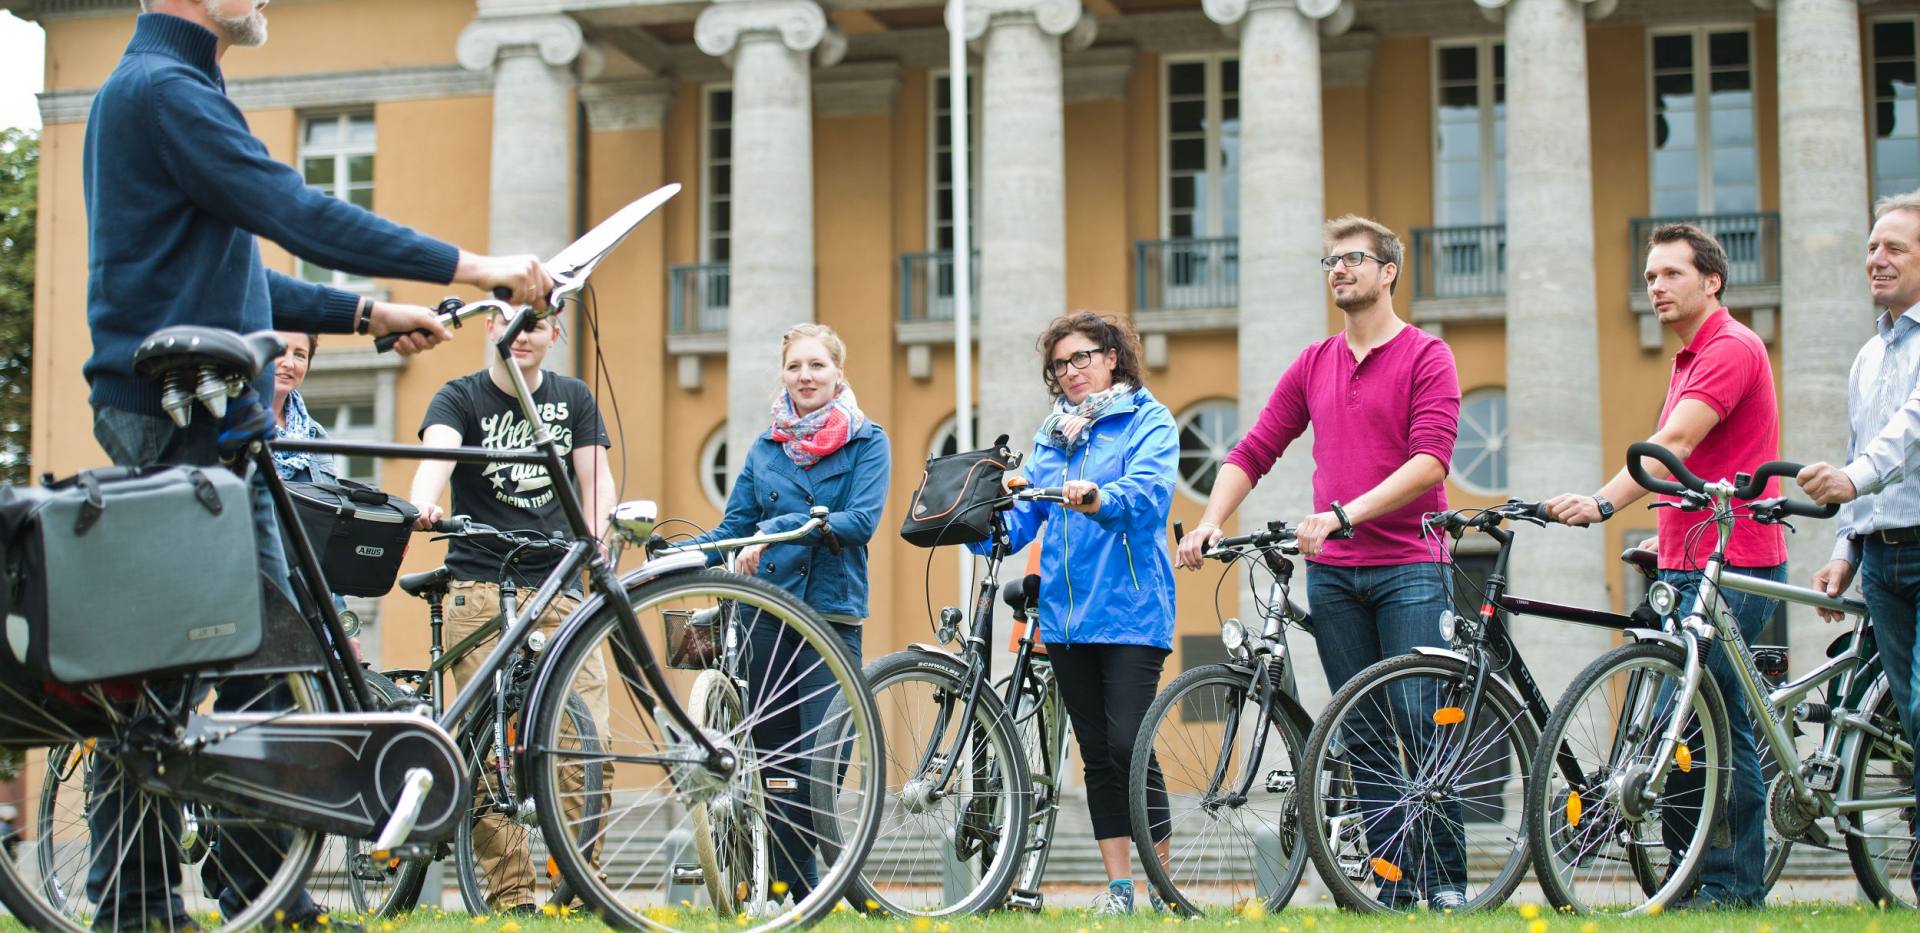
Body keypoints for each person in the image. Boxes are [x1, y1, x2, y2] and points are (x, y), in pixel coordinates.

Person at [82, 0, 551, 927]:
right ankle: (170, 903)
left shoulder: (168, 88)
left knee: (228, 676)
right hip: (188, 419)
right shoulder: (165, 89)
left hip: (201, 413)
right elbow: (298, 211)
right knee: (214, 676)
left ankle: (229, 895)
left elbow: (242, 272)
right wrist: (476, 267)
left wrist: (369, 317)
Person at [1174, 215, 1462, 910]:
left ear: (1388, 271)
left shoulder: (1427, 355)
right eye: (1330, 260)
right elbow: (1252, 450)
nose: (1339, 269)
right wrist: (1212, 522)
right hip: (1335, 573)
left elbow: (1430, 462)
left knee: (1421, 719)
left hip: (1412, 564)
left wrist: (1343, 513)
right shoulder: (1314, 362)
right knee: (1359, 728)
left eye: (1354, 258)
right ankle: (1393, 888)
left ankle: (1445, 882)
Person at [1542, 223, 1784, 909]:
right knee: (1679, 728)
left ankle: (1735, 887)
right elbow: (1687, 474)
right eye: (1650, 277)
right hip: (1688, 561)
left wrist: (1601, 501)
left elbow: (1671, 446)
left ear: (1712, 281)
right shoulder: (1687, 358)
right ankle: (1687, 878)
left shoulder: (1730, 347)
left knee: (1720, 723)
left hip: (1733, 563)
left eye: (1671, 274)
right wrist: (1664, 539)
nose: (1655, 287)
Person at [408, 310, 614, 913]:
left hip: (560, 590)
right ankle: (512, 896)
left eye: (537, 323)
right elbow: (439, 454)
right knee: (478, 746)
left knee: (583, 744)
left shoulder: (574, 398)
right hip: (478, 589)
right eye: (507, 319)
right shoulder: (461, 397)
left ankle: (579, 891)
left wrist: (598, 534)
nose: (521, 332)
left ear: (557, 335)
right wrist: (423, 504)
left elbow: (595, 480)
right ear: (488, 328)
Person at [975, 310, 1177, 915]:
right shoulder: (1051, 436)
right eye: (1060, 364)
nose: (1070, 371)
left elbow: (1147, 496)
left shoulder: (1149, 420)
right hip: (1064, 616)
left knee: (1126, 743)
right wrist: (975, 521)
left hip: (1132, 610)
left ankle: (1164, 886)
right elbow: (1022, 523)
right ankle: (1120, 890)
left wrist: (1097, 498)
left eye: (1081, 357)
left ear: (1112, 356)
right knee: (1095, 754)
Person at [689, 323, 890, 900]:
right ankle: (787, 895)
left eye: (817, 366)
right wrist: (675, 554)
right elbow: (732, 530)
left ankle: (812, 886)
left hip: (829, 618)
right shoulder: (764, 446)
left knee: (820, 768)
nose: (806, 376)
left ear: (838, 374)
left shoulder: (866, 440)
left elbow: (858, 522)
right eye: (796, 366)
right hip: (765, 617)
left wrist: (773, 532)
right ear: (784, 375)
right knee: (773, 768)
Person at [1798, 189, 1920, 901]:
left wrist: (1851, 477)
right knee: (1906, 718)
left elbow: (1906, 432)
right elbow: (1856, 449)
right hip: (1882, 557)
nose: (1876, 258)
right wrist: (1845, 547)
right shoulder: (1869, 355)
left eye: (1894, 248)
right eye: (1872, 246)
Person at [269, 332, 338, 485]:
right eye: (279, 350)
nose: (289, 364)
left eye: (299, 355)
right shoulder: (230, 423)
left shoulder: (315, 434)